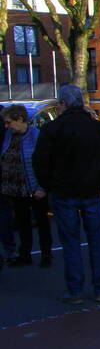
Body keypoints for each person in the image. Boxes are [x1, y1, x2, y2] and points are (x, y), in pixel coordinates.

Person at [32, 84, 100, 305]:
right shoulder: (99, 129)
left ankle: (75, 290)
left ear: (62, 104)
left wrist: (49, 185)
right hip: (91, 191)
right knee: (96, 241)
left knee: (70, 242)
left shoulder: (52, 130)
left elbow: (40, 162)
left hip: (64, 192)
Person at [1, 104, 53, 268]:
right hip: (16, 188)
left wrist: (42, 188)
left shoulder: (35, 136)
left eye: (9, 122)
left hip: (34, 187)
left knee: (41, 221)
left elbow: (45, 164)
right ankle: (25, 254)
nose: (7, 126)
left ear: (20, 119)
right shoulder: (9, 136)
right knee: (23, 223)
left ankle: (46, 254)